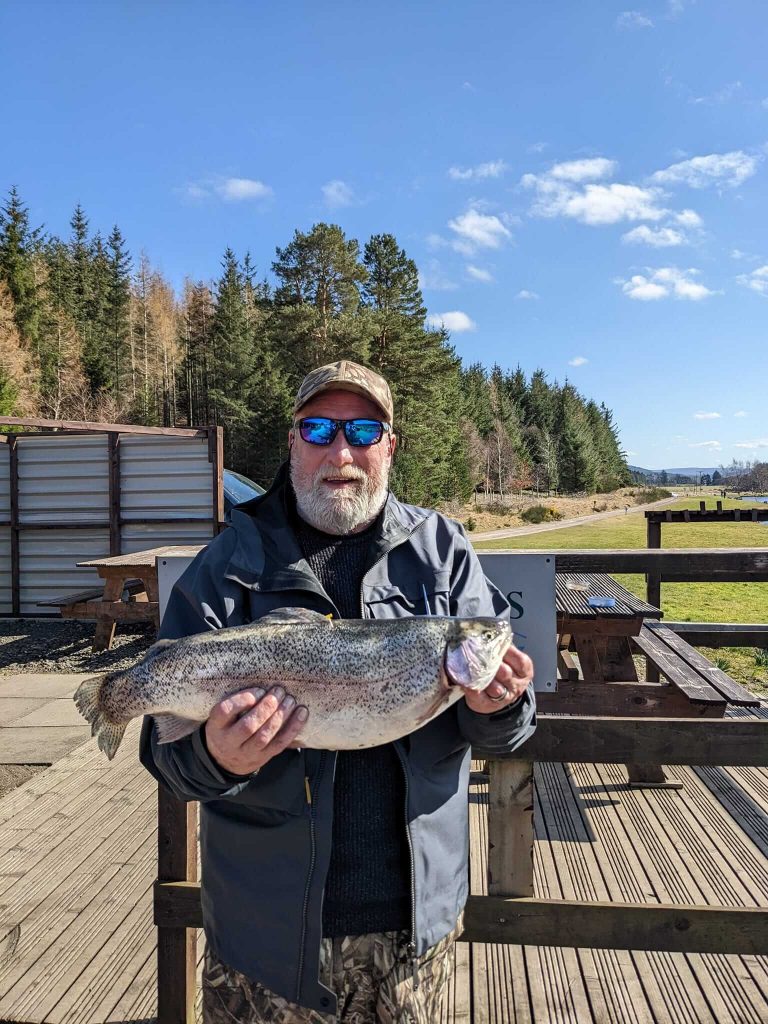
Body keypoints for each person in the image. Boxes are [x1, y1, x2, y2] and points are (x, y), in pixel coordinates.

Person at [140, 360, 536, 1023]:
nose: (341, 452)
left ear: (389, 445)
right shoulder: (227, 567)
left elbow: (503, 730)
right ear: (292, 442)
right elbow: (169, 762)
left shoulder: (444, 551)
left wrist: (502, 705)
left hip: (414, 932)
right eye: (319, 429)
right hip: (263, 940)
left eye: (362, 430)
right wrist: (218, 757)